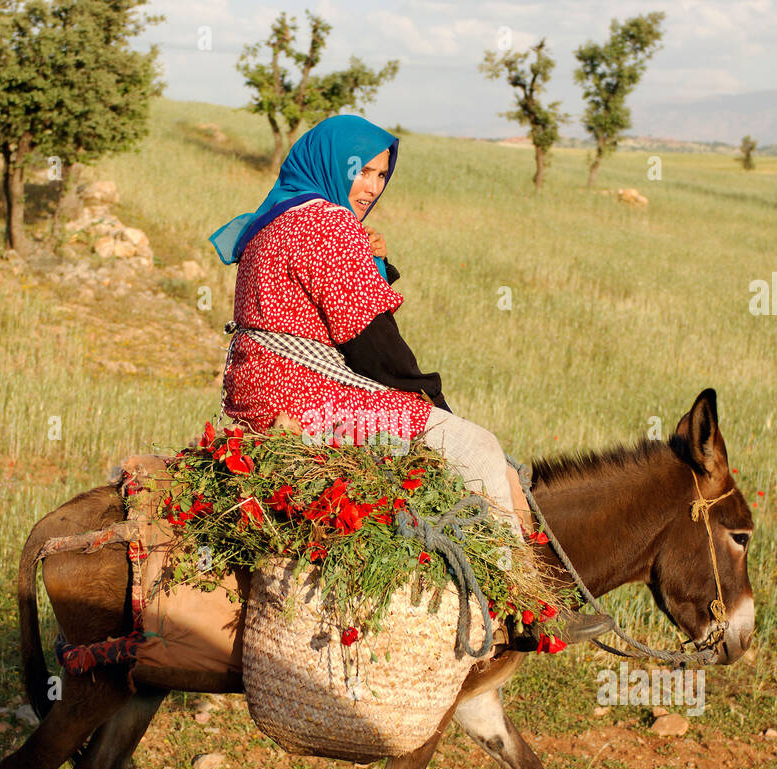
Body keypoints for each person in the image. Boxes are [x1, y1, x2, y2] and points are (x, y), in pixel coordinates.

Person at [209, 115, 611, 642]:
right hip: (305, 401)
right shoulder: (325, 223)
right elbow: (375, 348)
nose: (372, 187)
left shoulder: (277, 218)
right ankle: (527, 609)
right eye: (363, 171)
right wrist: (434, 403)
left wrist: (369, 257)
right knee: (477, 446)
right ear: (332, 164)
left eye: (382, 175)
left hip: (261, 394)